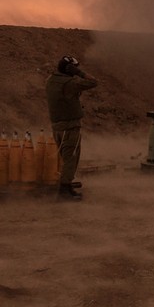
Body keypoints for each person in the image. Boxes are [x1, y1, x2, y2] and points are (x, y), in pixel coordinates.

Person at [45, 55, 98, 201]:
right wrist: (78, 72)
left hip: (57, 126)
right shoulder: (70, 83)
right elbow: (93, 82)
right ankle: (64, 192)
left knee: (65, 157)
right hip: (70, 127)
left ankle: (66, 187)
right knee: (71, 158)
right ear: (70, 69)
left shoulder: (50, 80)